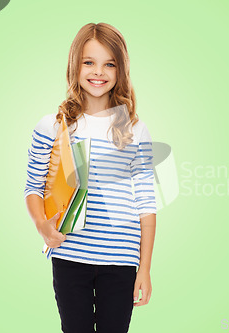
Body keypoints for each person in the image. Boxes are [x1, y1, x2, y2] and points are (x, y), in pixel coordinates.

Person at [24, 22, 157, 333]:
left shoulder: (135, 130)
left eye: (109, 64)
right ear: (75, 65)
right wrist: (42, 226)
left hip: (121, 260)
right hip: (70, 255)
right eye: (89, 62)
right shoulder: (53, 126)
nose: (99, 72)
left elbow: (146, 203)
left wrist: (145, 268)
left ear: (120, 70)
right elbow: (32, 188)